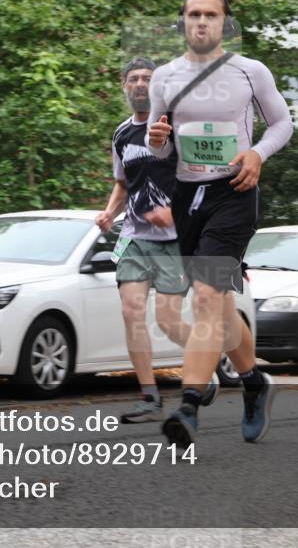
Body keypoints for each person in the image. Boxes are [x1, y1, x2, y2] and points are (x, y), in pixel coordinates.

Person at [146, 0, 293, 446]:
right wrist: (158, 141)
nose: (202, 22)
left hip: (233, 192)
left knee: (206, 296)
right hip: (188, 197)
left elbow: (283, 123)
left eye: (211, 15)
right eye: (193, 15)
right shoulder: (165, 78)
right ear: (183, 22)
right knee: (222, 309)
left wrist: (257, 153)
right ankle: (254, 384)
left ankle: (188, 407)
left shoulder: (251, 72)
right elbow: (162, 141)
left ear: (226, 24)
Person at [95, 56, 217, 422]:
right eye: (133, 78)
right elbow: (122, 183)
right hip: (135, 234)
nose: (140, 84)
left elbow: (201, 178)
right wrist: (108, 212)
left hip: (174, 238)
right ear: (124, 86)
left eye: (148, 78)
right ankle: (149, 396)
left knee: (167, 320)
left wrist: (177, 212)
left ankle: (203, 365)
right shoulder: (121, 134)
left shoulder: (175, 127)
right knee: (131, 311)